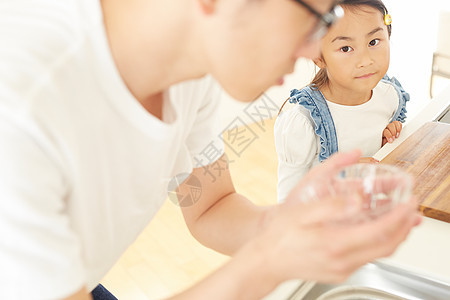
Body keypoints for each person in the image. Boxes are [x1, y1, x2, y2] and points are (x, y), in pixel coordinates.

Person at [0, 0, 421, 299]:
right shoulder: (21, 109)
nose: (315, 51)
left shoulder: (189, 71)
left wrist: (294, 224)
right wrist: (267, 261)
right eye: (315, 19)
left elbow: (209, 206)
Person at [275, 0, 410, 203]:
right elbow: (288, 201)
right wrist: (338, 177)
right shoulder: (303, 120)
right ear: (318, 57)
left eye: (373, 42)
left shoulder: (389, 96)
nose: (365, 60)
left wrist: (385, 145)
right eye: (346, 48)